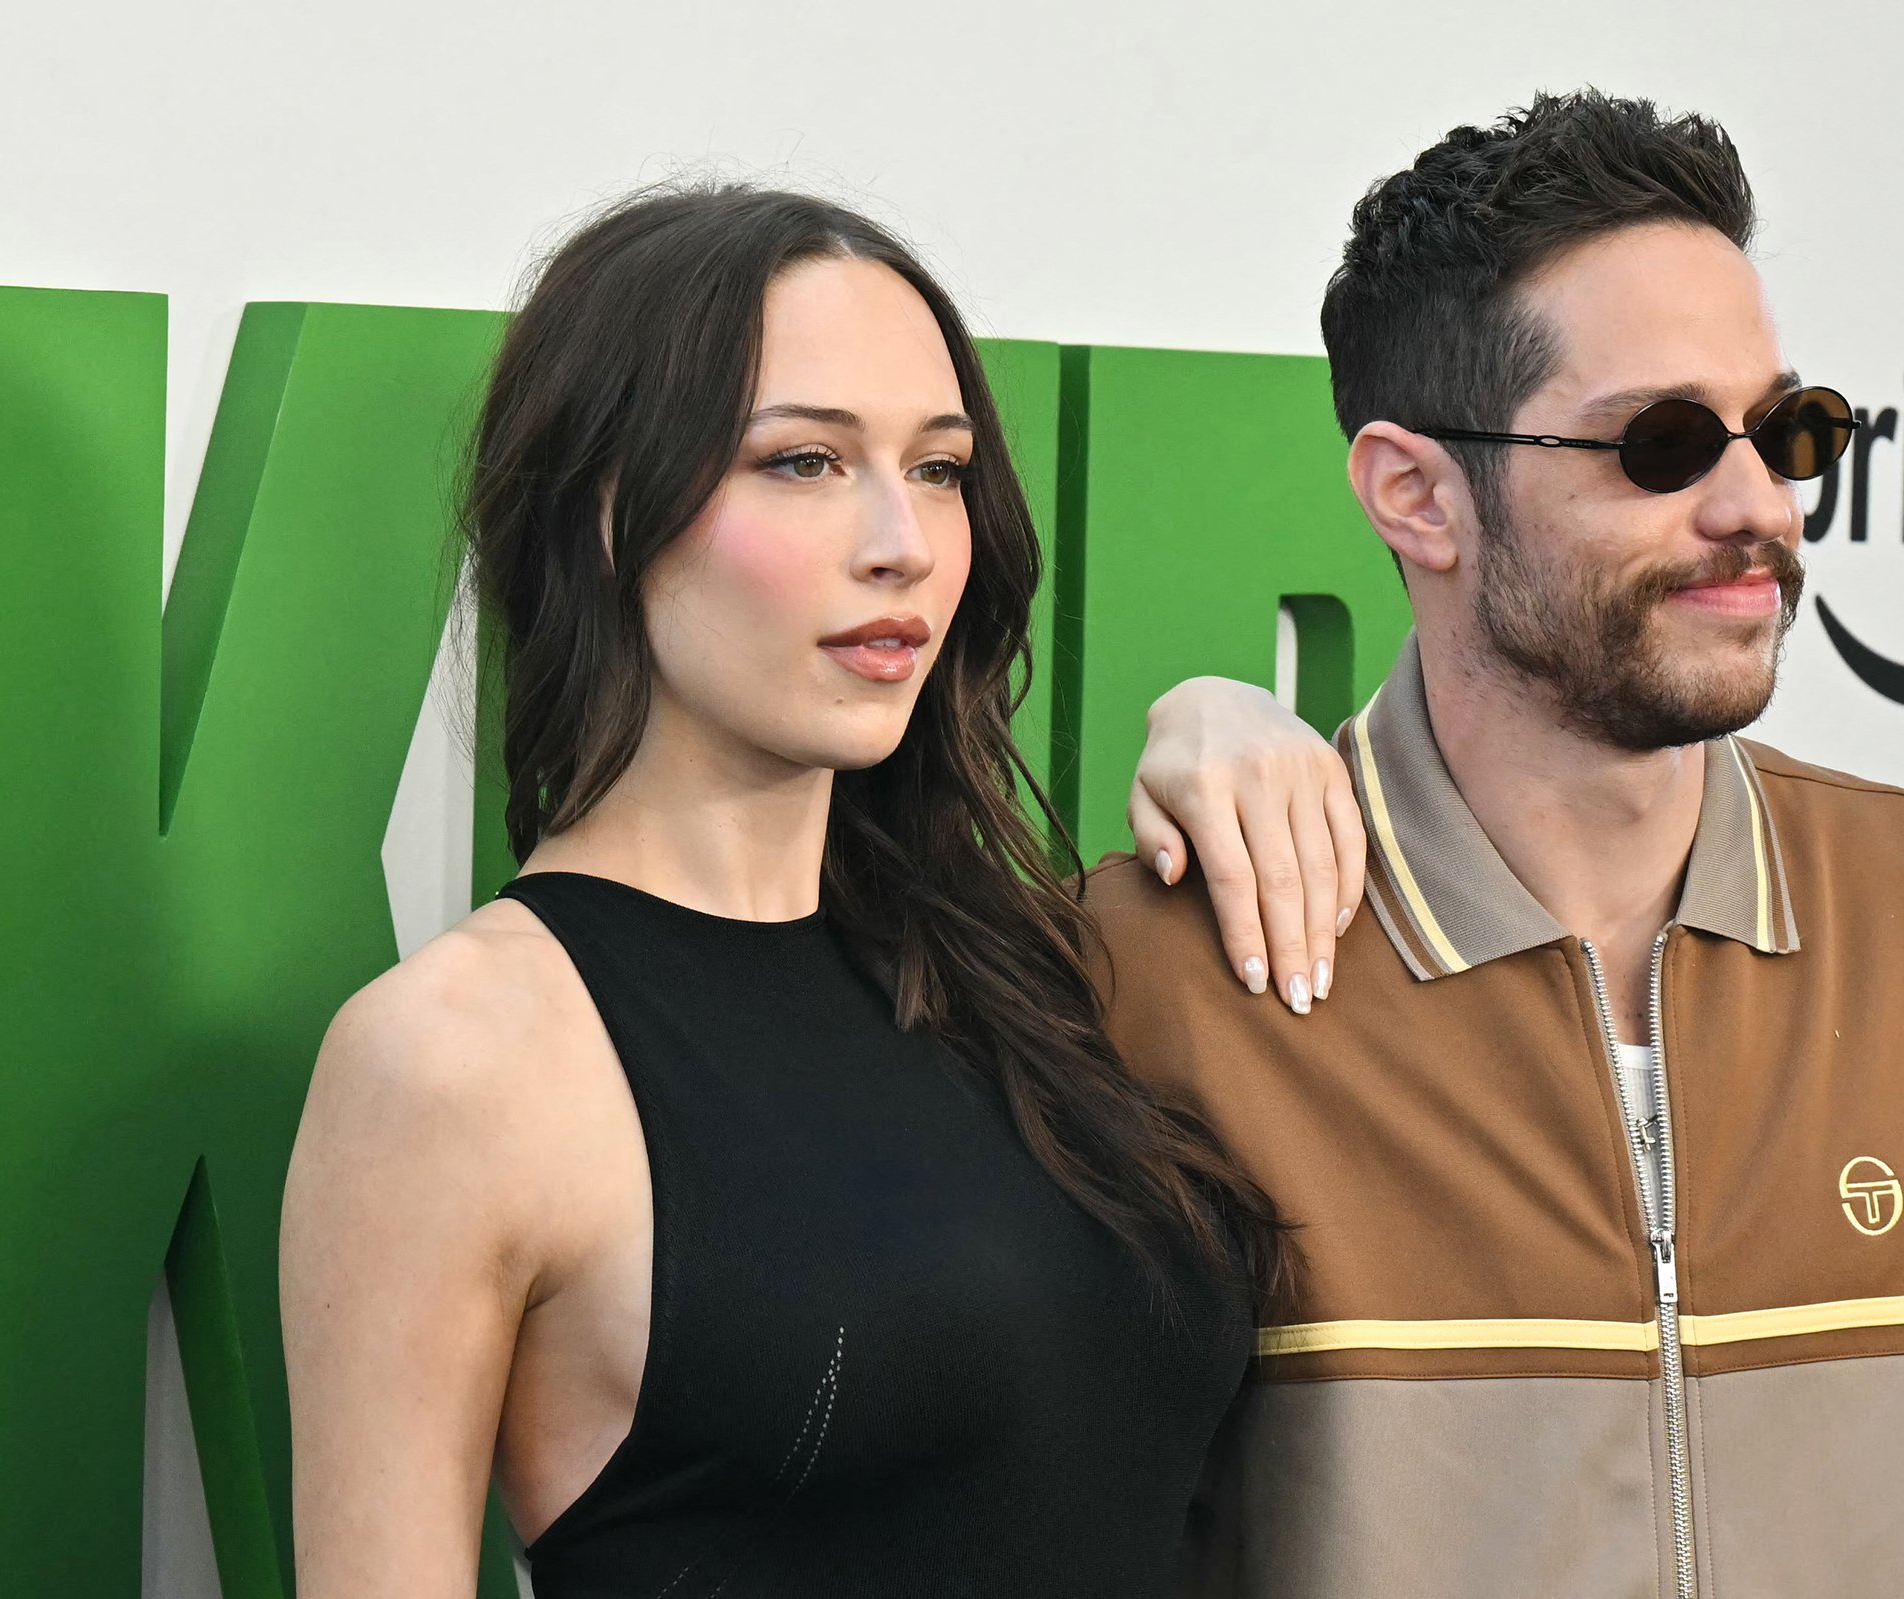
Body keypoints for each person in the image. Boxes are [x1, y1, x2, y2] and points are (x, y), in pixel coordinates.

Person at [1090, 90, 1904, 1598]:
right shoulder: (1162, 983)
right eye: (1660, 444)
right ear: (1418, 495)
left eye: (1789, 429)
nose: (1756, 506)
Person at [277, 185, 1355, 1598]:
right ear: (605, 511)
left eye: (940, 468)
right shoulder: (453, 1062)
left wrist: (1232, 712)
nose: (901, 541)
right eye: (803, 463)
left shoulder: (1023, 973)